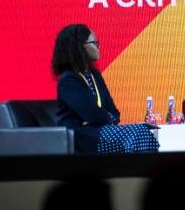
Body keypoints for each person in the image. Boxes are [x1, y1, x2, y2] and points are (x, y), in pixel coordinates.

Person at [53, 24, 159, 154]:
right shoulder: (69, 79)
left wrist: (107, 118)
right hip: (79, 136)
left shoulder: (94, 74)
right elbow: (92, 115)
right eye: (94, 43)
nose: (99, 46)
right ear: (80, 47)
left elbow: (114, 112)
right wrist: (107, 118)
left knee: (143, 130)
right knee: (139, 132)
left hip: (99, 131)